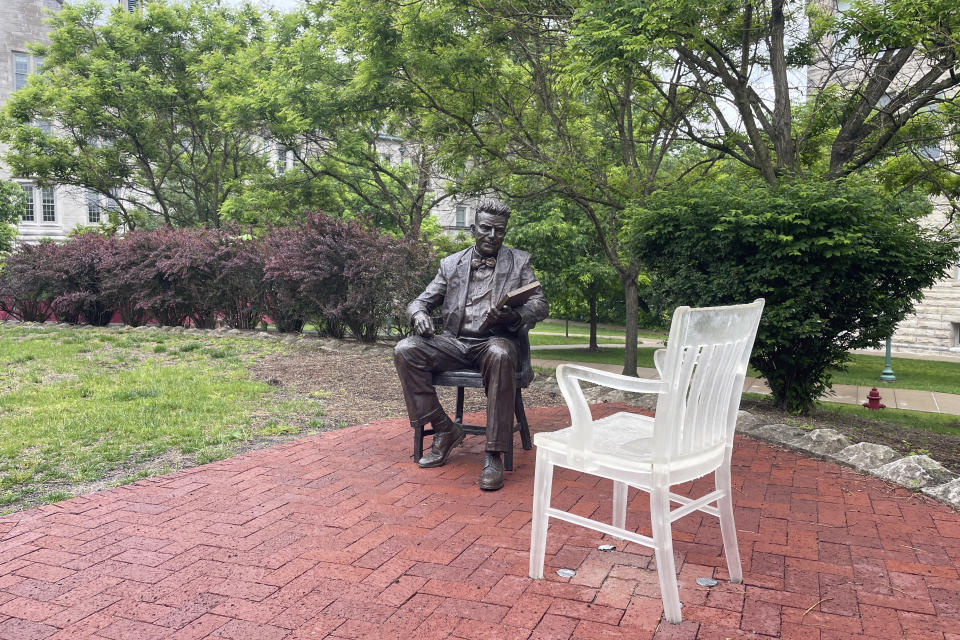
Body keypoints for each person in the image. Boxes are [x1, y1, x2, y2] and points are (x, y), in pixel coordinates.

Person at [394, 200, 548, 490]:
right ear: (473, 228)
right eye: (486, 228)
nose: (492, 235)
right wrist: (419, 314)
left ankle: (493, 454)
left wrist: (515, 315)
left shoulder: (519, 262)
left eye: (499, 231)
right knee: (405, 350)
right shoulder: (451, 264)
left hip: (495, 342)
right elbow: (419, 301)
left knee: (501, 354)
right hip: (454, 343)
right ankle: (444, 429)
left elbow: (540, 304)